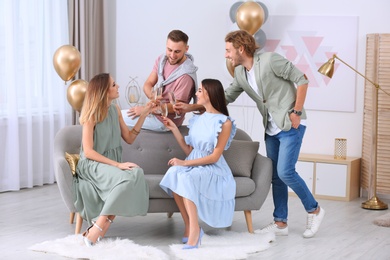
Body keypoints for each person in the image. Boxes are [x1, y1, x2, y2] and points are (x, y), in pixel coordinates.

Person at [175, 30, 325, 238]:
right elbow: (223, 98)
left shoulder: (271, 60)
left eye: (228, 50)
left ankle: (314, 210)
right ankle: (280, 222)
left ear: (241, 48)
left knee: (286, 172)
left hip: (289, 124)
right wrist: (188, 108)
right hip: (271, 128)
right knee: (276, 176)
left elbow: (302, 79)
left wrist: (297, 112)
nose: (226, 55)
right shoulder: (240, 74)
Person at [73, 73, 154, 247]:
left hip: (110, 163)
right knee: (126, 177)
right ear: (104, 90)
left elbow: (130, 138)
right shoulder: (91, 114)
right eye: (114, 85)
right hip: (93, 164)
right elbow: (88, 152)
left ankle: (97, 227)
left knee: (137, 173)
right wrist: (118, 164)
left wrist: (144, 115)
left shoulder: (115, 109)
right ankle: (99, 229)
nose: (118, 87)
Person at [159, 78, 237, 249]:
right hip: (194, 163)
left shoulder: (225, 122)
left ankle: (195, 230)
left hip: (214, 169)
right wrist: (173, 128)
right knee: (173, 173)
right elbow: (190, 150)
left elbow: (215, 157)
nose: (196, 93)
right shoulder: (197, 119)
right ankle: (189, 225)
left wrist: (184, 164)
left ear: (210, 94)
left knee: (186, 178)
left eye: (200, 90)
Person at [121, 29, 198, 131]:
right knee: (112, 115)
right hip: (154, 111)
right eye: (169, 50)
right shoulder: (162, 60)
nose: (172, 55)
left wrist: (145, 110)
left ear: (186, 49)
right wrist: (152, 95)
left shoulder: (186, 76)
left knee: (116, 117)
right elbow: (147, 84)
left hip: (166, 121)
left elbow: (176, 107)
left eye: (177, 51)